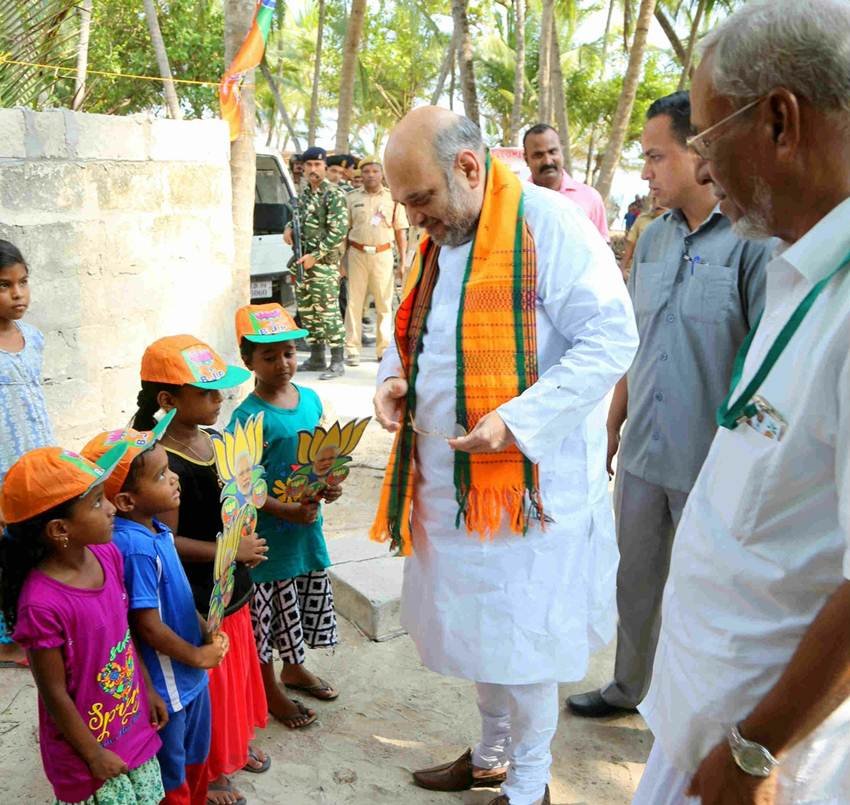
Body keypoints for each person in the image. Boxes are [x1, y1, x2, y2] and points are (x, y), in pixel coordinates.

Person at [372, 107, 638, 805]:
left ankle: (527, 783)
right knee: (478, 632)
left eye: (420, 201)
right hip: (451, 491)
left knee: (521, 641)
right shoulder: (443, 237)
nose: (415, 220)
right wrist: (393, 381)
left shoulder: (549, 225)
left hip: (527, 491)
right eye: (406, 206)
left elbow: (611, 340)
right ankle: (490, 753)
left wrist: (518, 422)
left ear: (466, 168)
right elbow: (414, 331)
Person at [632, 2, 850, 802]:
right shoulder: (800, 262)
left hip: (772, 763)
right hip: (704, 732)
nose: (702, 164)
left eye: (709, 139)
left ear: (782, 123)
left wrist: (757, 748)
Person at [567, 90, 773, 721]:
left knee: (703, 598)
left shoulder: (751, 243)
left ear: (699, 151)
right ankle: (628, 687)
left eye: (656, 157)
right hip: (643, 450)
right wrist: (613, 422)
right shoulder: (651, 240)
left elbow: (766, 365)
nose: (646, 172)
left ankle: (691, 721)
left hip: (710, 462)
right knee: (634, 578)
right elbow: (636, 339)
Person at [131, 334, 271, 805]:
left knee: (233, 678)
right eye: (208, 393)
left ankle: (230, 746)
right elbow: (165, 543)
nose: (220, 399)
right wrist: (228, 552)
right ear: (168, 400)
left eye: (220, 391)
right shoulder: (160, 463)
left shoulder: (214, 440)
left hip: (232, 588)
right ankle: (210, 767)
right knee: (208, 687)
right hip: (196, 597)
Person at [0, 446, 167, 805]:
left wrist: (147, 688)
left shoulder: (106, 554)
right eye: (95, 502)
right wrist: (92, 755)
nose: (110, 508)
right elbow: (53, 693)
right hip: (89, 751)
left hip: (129, 720)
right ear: (60, 529)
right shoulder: (42, 605)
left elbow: (123, 634)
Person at [82, 420, 230, 805]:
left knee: (194, 757)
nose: (175, 479)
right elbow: (146, 626)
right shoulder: (134, 547)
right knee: (171, 771)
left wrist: (205, 631)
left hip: (189, 674)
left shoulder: (157, 532)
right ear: (127, 502)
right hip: (170, 683)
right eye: (162, 475)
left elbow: (177, 596)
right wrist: (197, 654)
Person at [230, 304, 343, 732]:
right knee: (266, 614)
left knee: (296, 599)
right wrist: (284, 510)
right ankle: (270, 686)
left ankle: (294, 668)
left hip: (305, 529)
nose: (283, 364)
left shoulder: (310, 399)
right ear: (248, 362)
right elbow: (241, 487)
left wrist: (330, 485)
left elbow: (323, 458)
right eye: (269, 356)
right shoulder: (247, 418)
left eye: (289, 353)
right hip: (268, 538)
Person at [0, 239, 56, 665]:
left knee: (33, 544)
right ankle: (7, 639)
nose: (18, 294)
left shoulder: (32, 338)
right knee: (5, 553)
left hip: (35, 459)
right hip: (2, 466)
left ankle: (32, 624)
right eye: (4, 285)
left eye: (23, 282)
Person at [284, 146, 348, 380]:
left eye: (317, 165)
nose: (313, 170)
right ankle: (317, 357)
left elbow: (338, 231)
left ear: (324, 167)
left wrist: (315, 256)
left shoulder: (333, 194)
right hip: (302, 262)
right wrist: (288, 228)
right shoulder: (304, 195)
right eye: (309, 165)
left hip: (322, 264)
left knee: (328, 312)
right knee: (308, 312)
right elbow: (297, 218)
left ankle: (338, 361)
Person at [343, 157, 409, 367]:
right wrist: (341, 262)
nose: (370, 175)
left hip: (383, 255)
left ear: (382, 174)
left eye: (374, 171)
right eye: (366, 171)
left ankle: (383, 349)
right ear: (360, 175)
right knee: (354, 302)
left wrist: (403, 262)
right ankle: (352, 348)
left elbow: (400, 231)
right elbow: (344, 231)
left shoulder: (393, 199)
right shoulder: (351, 198)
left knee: (384, 303)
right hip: (357, 254)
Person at [523, 123, 611, 241]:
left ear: (561, 151)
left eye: (552, 152)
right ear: (526, 159)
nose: (547, 161)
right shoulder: (518, 200)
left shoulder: (590, 198)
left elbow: (602, 249)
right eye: (538, 155)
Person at [620, 195, 666, 280]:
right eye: (655, 199)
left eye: (662, 199)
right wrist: (621, 270)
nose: (658, 203)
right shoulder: (642, 219)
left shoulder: (678, 224)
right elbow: (630, 246)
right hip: (635, 273)